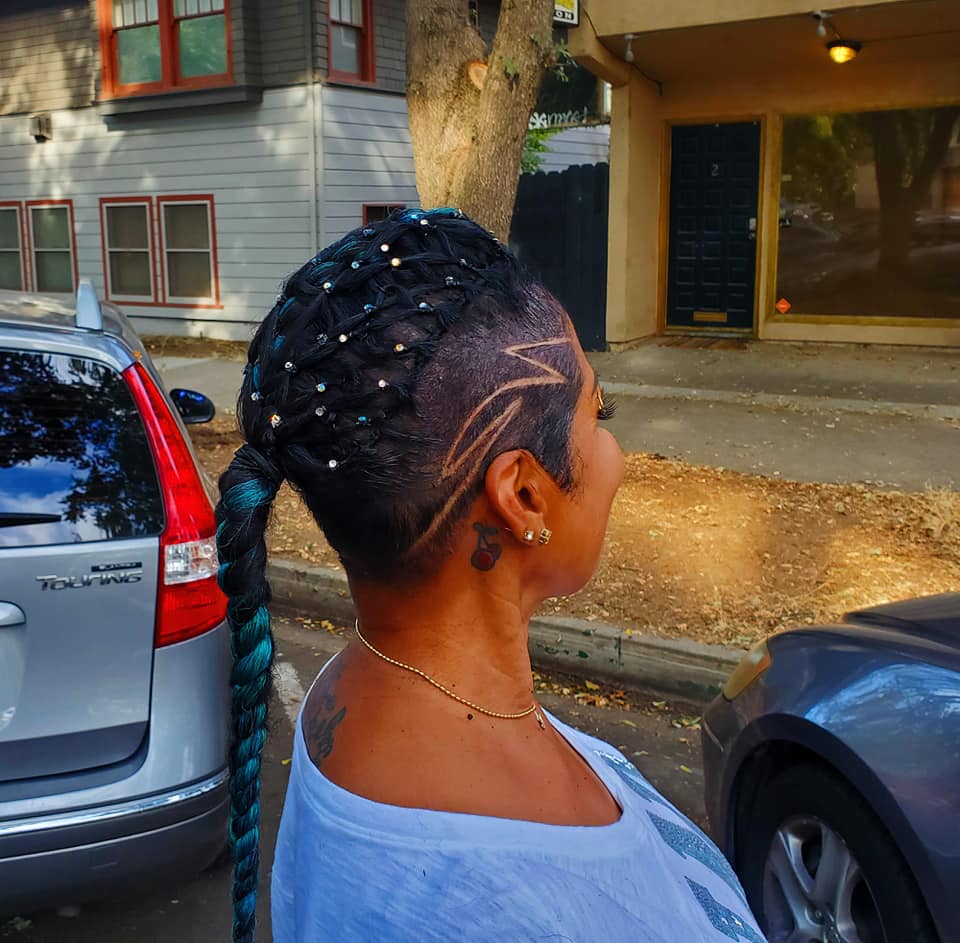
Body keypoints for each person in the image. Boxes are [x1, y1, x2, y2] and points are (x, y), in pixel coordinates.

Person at [215, 208, 765, 943]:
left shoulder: (350, 694)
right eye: (599, 413)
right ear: (524, 496)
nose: (617, 457)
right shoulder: (511, 902)